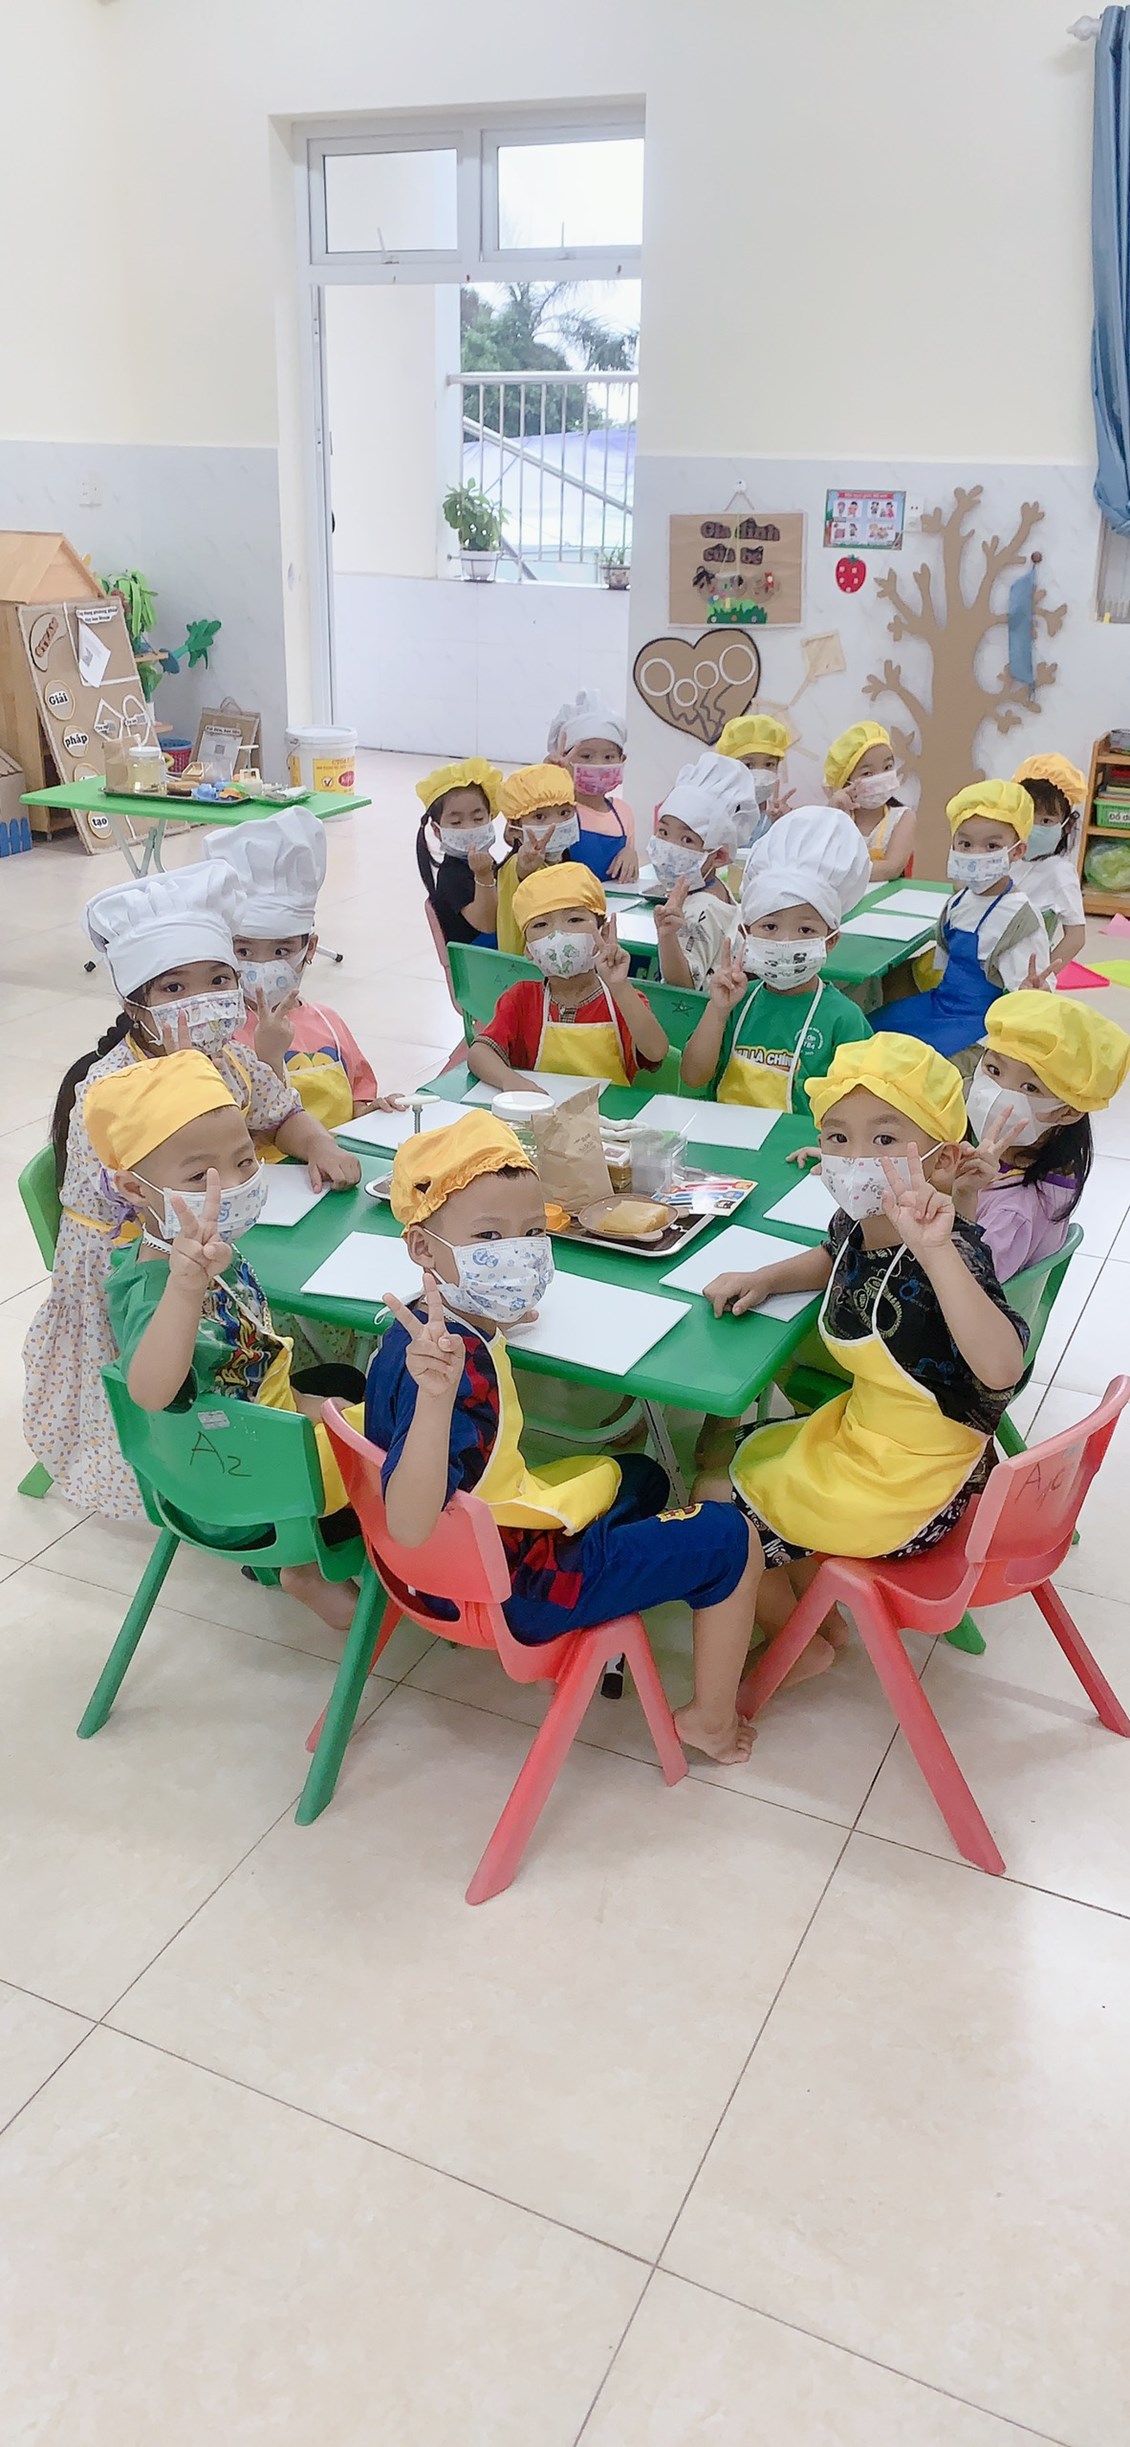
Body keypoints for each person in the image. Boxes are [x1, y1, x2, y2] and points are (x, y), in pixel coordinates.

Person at [364, 1110, 760, 1762]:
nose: (517, 1252)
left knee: (643, 1478)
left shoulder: (417, 1329)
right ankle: (710, 1721)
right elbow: (409, 1519)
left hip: (440, 1568)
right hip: (513, 1586)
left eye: (531, 1233)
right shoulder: (448, 1379)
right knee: (730, 1536)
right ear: (423, 1248)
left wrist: (496, 1318)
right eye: (489, 1237)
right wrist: (437, 1400)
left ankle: (624, 1580)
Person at [23, 865, 360, 1519]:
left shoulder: (228, 1059)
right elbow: (131, 1204)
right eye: (175, 987)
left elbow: (279, 1110)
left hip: (209, 1242)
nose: (200, 999)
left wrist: (317, 1142)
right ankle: (184, 1466)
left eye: (217, 979)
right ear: (135, 1004)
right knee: (161, 1376)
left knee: (230, 1347)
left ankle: (260, 1402)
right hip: (130, 1254)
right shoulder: (112, 1089)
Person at [698, 1035, 1028, 1692]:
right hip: (866, 1439)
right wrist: (766, 1277)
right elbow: (834, 1254)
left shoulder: (945, 1251)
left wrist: (937, 1251)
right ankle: (812, 1626)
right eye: (838, 1137)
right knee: (722, 1453)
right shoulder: (864, 1218)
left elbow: (1001, 1368)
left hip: (919, 1487)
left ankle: (791, 1647)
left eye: (884, 1139)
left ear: (939, 1154)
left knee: (715, 1507)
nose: (855, 1159)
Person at [86, 1052, 365, 1633]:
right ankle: (301, 1565)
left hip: (241, 1439)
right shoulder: (158, 1287)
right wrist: (186, 1289)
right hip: (231, 1493)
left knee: (346, 1383)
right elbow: (150, 1392)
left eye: (243, 1161)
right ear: (135, 1189)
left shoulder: (197, 1248)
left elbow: (245, 1370)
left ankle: (298, 1553)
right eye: (199, 1177)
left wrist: (310, 1406)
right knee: (407, 1449)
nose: (232, 1185)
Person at [211, 806, 396, 1134]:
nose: (262, 965)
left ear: (309, 949)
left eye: (280, 951)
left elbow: (359, 1100)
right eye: (244, 951)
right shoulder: (220, 1035)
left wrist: (376, 1112)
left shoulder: (329, 1022)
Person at [680, 809, 872, 1108]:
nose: (786, 942)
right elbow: (693, 1077)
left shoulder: (843, 1019)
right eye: (770, 927)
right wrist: (717, 1011)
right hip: (727, 1130)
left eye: (805, 930)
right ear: (745, 933)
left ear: (830, 940)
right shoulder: (736, 1002)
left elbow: (858, 1108)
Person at [950, 990, 1130, 1280]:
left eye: (1030, 1088)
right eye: (994, 1069)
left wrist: (963, 1196)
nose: (998, 1094)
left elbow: (963, 1288)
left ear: (1068, 1112)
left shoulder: (1014, 1213)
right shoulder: (1033, 1159)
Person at [871, 779, 1051, 1057]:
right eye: (965, 844)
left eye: (992, 846)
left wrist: (1032, 993)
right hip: (940, 1004)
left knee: (912, 1062)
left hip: (979, 1023)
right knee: (866, 1031)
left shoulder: (1019, 919)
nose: (975, 854)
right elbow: (941, 968)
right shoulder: (958, 902)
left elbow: (1030, 996)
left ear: (1017, 851)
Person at [468, 864, 667, 1092]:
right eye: (541, 924)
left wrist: (620, 986)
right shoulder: (522, 999)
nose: (558, 935)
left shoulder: (621, 1000)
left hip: (605, 1112)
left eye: (574, 920)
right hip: (542, 1108)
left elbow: (656, 1051)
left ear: (603, 933)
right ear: (528, 949)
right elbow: (479, 1053)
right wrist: (510, 1081)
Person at [651, 757, 743, 990]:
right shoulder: (714, 889)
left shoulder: (700, 910)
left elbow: (684, 986)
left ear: (718, 856)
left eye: (687, 839)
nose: (669, 847)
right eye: (663, 832)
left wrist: (667, 936)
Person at [546, 689, 637, 882]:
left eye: (609, 757)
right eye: (586, 756)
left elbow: (627, 872)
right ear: (564, 759)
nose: (598, 764)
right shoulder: (558, 811)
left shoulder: (623, 812)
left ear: (622, 760)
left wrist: (631, 854)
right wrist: (549, 777)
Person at [413, 757, 503, 949]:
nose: (469, 828)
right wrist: (483, 876)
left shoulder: (485, 861)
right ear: (437, 830)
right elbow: (488, 924)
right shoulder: (452, 875)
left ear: (490, 817)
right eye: (456, 822)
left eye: (478, 818)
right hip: (480, 960)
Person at [494, 763, 581, 955]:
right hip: (524, 967)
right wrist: (526, 865)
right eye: (540, 816)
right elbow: (522, 871)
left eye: (564, 813)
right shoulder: (514, 866)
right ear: (515, 829)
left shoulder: (563, 862)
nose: (554, 824)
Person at [1012, 753, 1087, 973]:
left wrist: (1043, 976)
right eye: (1027, 817)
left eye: (1046, 820)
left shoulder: (1059, 873)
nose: (1033, 828)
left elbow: (1076, 937)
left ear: (1066, 826)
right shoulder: (1008, 856)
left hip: (1018, 969)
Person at [823, 721, 916, 882]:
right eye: (867, 773)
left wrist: (839, 875)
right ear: (846, 782)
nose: (881, 777)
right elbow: (818, 859)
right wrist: (832, 812)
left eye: (887, 767)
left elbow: (892, 868)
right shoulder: (838, 818)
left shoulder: (903, 818)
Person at [716, 713, 796, 832]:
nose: (760, 773)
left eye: (769, 764)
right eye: (748, 765)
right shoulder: (715, 814)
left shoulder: (776, 816)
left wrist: (781, 825)